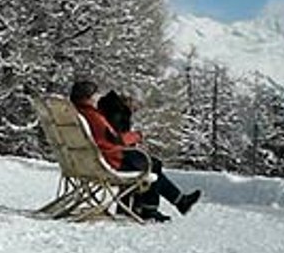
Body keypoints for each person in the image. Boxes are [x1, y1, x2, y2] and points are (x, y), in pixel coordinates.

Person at [71, 79, 201, 222]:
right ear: (87, 97)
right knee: (152, 165)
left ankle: (173, 203)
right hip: (111, 159)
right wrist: (138, 136)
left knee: (150, 164)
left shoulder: (78, 114)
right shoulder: (94, 116)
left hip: (91, 160)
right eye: (95, 94)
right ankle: (153, 208)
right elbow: (117, 139)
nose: (98, 97)